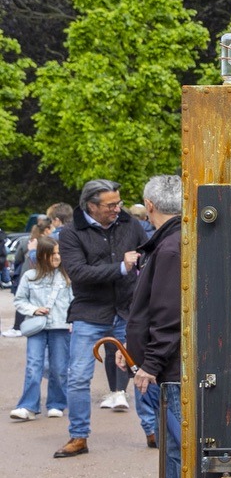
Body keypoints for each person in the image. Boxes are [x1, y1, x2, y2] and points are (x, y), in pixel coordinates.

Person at [54, 179, 145, 458]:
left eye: (119, 202)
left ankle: (153, 430)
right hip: (89, 313)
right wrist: (121, 267)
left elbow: (149, 255)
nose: (117, 209)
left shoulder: (130, 224)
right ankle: (78, 436)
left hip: (127, 311)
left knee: (144, 372)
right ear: (91, 206)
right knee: (78, 377)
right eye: (110, 205)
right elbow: (78, 273)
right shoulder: (70, 233)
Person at [122, 175, 183, 478]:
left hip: (172, 364)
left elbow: (169, 315)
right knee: (171, 441)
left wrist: (150, 363)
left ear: (150, 205)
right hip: (167, 362)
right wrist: (137, 354)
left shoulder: (171, 246)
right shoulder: (170, 243)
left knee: (178, 441)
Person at [11, 234, 69, 421]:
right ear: (42, 255)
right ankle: (28, 406)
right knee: (33, 366)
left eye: (58, 253)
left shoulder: (66, 277)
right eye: (53, 253)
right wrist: (34, 310)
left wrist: (73, 322)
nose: (57, 257)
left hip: (61, 327)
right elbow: (19, 301)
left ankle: (57, 403)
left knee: (59, 367)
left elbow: (74, 301)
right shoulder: (29, 276)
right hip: (37, 327)